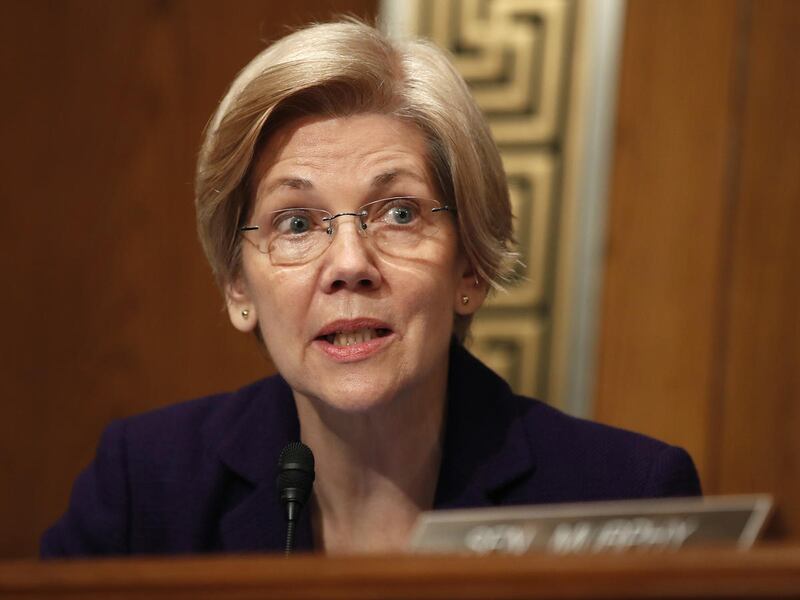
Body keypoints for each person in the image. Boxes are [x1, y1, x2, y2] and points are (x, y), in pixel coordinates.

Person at [41, 20, 700, 557]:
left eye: (400, 213)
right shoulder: (148, 489)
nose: (350, 263)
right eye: (297, 223)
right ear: (238, 284)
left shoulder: (624, 500)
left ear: (468, 266)